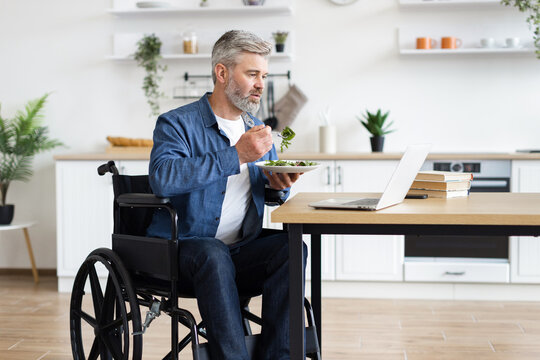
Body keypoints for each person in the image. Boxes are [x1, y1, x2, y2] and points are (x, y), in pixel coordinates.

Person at [146, 30, 306, 360]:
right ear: (222, 73)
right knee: (212, 252)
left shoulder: (258, 129)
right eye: (252, 74)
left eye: (263, 75)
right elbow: (162, 178)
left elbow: (266, 190)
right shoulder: (177, 124)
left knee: (292, 248)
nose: (261, 84)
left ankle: (279, 356)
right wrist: (236, 156)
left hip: (239, 247)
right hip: (184, 247)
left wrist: (279, 186)